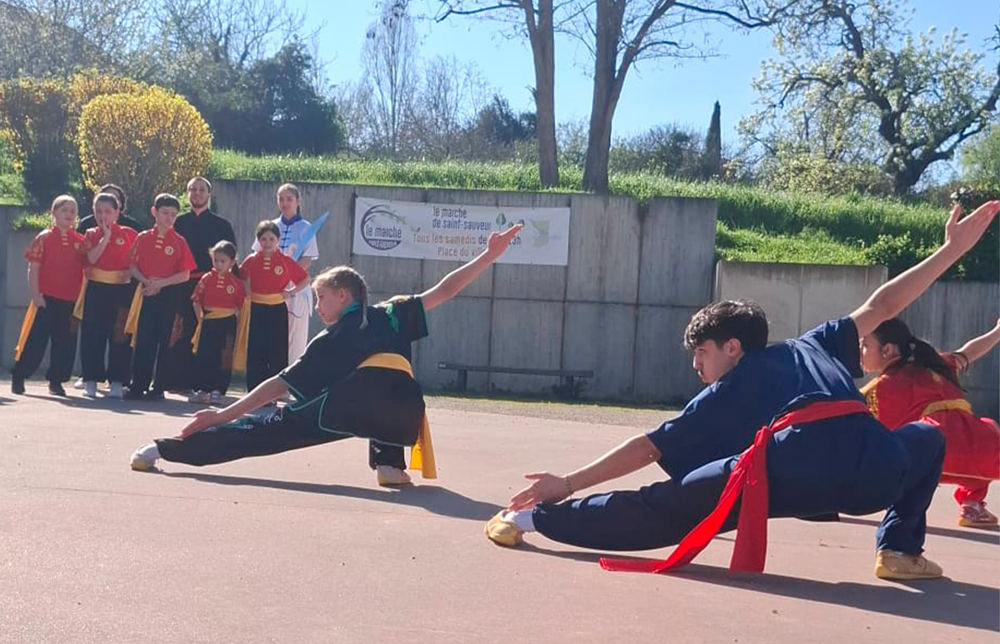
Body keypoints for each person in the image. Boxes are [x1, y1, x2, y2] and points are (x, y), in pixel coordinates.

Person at [485, 202, 1000, 582]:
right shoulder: (817, 342)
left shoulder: (730, 387)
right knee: (927, 437)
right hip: (875, 468)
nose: (696, 366)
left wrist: (569, 482)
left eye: (701, 354)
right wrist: (949, 251)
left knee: (664, 506)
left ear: (732, 347)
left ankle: (530, 518)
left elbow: (648, 448)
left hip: (796, 461)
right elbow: (884, 304)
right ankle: (898, 552)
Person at [128, 224, 523, 488]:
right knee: (386, 385)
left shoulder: (332, 339)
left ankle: (162, 448)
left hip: (355, 403)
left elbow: (274, 387)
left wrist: (220, 415)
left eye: (319, 297)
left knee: (264, 431)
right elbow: (445, 289)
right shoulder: (394, 311)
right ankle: (389, 465)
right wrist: (488, 256)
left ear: (343, 295)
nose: (316, 307)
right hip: (406, 412)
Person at [860, 317, 1000, 527]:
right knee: (988, 427)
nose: (859, 352)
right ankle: (972, 504)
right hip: (982, 451)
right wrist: (997, 331)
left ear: (887, 350)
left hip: (929, 456)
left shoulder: (882, 387)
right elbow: (968, 353)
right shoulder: (935, 364)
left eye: (864, 345)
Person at [163, 177, 236, 393]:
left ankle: (207, 385)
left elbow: (231, 259)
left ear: (209, 194)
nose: (196, 193)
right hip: (181, 284)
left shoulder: (222, 225)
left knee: (209, 336)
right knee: (179, 331)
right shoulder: (177, 223)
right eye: (192, 189)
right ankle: (176, 381)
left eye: (201, 189)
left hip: (211, 286)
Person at [122, 194, 196, 401]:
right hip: (146, 292)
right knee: (143, 340)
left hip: (169, 294)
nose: (169, 218)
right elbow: (132, 266)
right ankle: (138, 385)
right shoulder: (143, 237)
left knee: (166, 341)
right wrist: (146, 281)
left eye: (173, 214)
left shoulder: (179, 241)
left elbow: (185, 274)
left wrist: (160, 284)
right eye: (165, 213)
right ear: (155, 212)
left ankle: (159, 387)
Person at [11, 195, 85, 396]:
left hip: (69, 300)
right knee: (36, 340)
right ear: (53, 213)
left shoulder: (79, 241)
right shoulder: (44, 238)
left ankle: (56, 381)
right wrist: (36, 295)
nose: (68, 214)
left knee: (65, 343)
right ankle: (19, 375)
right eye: (64, 210)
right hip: (46, 299)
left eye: (72, 211)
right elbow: (33, 268)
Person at [77, 192, 139, 399]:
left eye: (108, 211)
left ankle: (118, 380)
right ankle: (91, 379)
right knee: (92, 334)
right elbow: (91, 259)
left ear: (117, 212)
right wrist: (106, 237)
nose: (103, 216)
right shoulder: (90, 233)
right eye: (98, 211)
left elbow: (138, 262)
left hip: (121, 291)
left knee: (120, 335)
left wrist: (130, 273)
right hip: (96, 289)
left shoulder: (131, 233)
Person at [251, 183, 319, 364]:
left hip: (295, 289)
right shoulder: (270, 226)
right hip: (269, 293)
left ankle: (289, 383)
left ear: (298, 201)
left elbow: (307, 259)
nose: (285, 203)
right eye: (281, 198)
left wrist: (286, 280)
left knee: (294, 337)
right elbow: (256, 256)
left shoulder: (306, 227)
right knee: (269, 338)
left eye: (289, 198)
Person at [240, 220, 311, 390]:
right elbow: (240, 276)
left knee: (277, 350)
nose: (267, 243)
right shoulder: (251, 260)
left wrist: (290, 292)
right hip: (256, 308)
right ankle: (254, 390)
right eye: (264, 239)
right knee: (256, 350)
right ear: (258, 240)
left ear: (278, 241)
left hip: (277, 309)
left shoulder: (285, 260)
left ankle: (274, 392)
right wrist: (247, 292)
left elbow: (305, 279)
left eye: (271, 239)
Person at [188, 241, 245, 404]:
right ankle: (201, 389)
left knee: (224, 357)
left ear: (232, 262)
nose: (219, 264)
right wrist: (200, 319)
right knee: (204, 355)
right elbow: (196, 300)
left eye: (223, 261)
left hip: (227, 323)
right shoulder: (206, 278)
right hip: (208, 322)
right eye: (216, 260)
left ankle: (218, 390)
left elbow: (241, 306)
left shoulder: (235, 283)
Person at [76, 184, 142, 233]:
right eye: (105, 197)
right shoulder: (86, 225)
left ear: (121, 203)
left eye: (115, 198)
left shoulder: (133, 226)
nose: (110, 200)